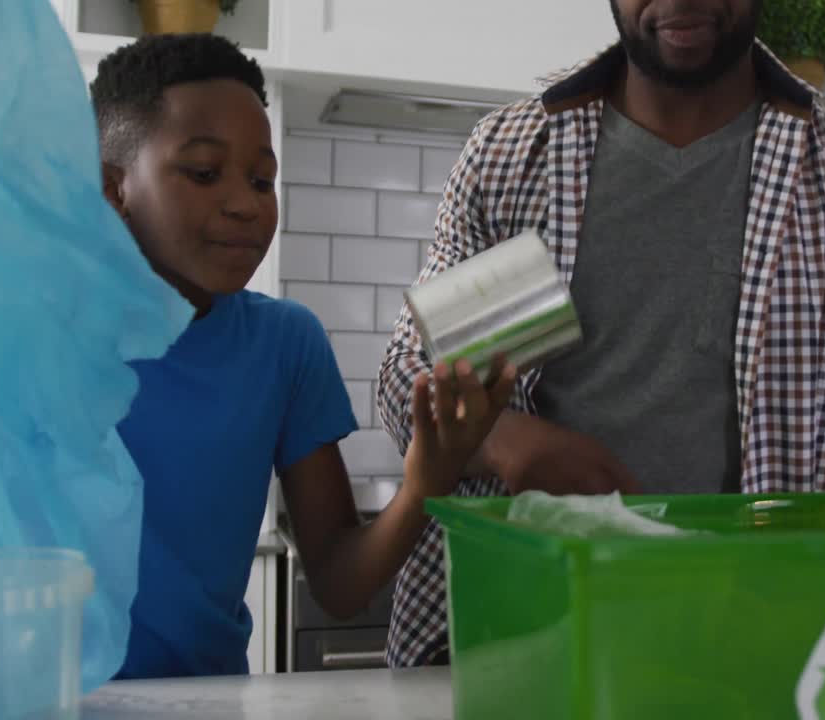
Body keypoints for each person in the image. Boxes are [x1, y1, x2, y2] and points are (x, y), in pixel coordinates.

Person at [378, 0, 825, 667]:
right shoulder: (512, 156)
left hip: (740, 645)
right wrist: (507, 440)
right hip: (516, 639)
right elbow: (410, 370)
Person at [91, 34, 516, 679]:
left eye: (262, 179)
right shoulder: (44, 332)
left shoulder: (285, 344)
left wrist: (427, 483)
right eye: (205, 173)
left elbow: (340, 586)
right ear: (113, 189)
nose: (245, 203)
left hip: (209, 701)